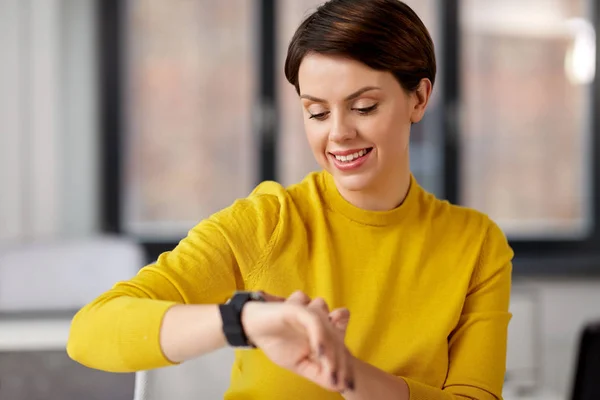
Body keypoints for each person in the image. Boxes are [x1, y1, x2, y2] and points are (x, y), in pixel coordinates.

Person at [67, 0, 513, 399]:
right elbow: (92, 330)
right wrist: (244, 320)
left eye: (363, 107)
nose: (338, 132)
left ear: (419, 97)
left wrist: (347, 375)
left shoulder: (475, 244)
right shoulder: (268, 223)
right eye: (316, 112)